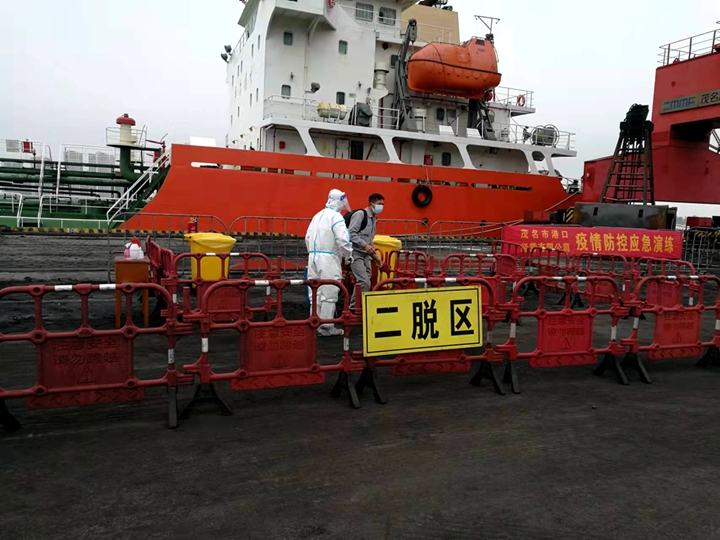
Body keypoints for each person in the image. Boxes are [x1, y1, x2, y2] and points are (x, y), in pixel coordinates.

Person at [305, 189, 353, 336]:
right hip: (329, 259)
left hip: (313, 257)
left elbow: (307, 237)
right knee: (329, 292)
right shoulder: (336, 217)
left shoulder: (317, 216)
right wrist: (348, 255)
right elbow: (343, 239)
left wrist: (313, 253)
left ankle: (314, 322)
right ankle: (326, 327)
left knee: (315, 292)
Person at [348, 193, 385, 310]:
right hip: (355, 253)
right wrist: (364, 245)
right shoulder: (360, 215)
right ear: (371, 204)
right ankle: (355, 309)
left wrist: (376, 258)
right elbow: (350, 233)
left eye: (383, 204)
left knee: (365, 281)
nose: (381, 207)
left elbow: (370, 242)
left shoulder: (374, 219)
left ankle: (357, 306)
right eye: (379, 204)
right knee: (364, 281)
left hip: (366, 255)